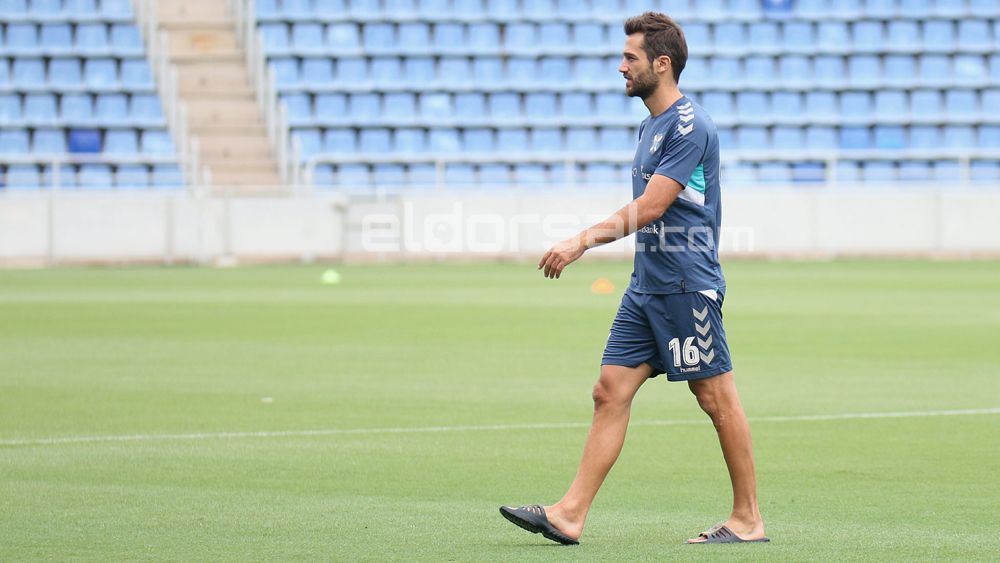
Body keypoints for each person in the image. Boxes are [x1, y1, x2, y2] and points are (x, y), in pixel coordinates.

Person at [499, 12, 767, 545]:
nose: (620, 67)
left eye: (630, 58)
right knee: (608, 391)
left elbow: (652, 206)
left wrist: (580, 240)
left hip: (686, 284)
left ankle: (748, 519)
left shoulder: (691, 126)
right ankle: (569, 515)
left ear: (661, 64)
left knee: (717, 399)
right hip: (647, 287)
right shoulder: (650, 125)